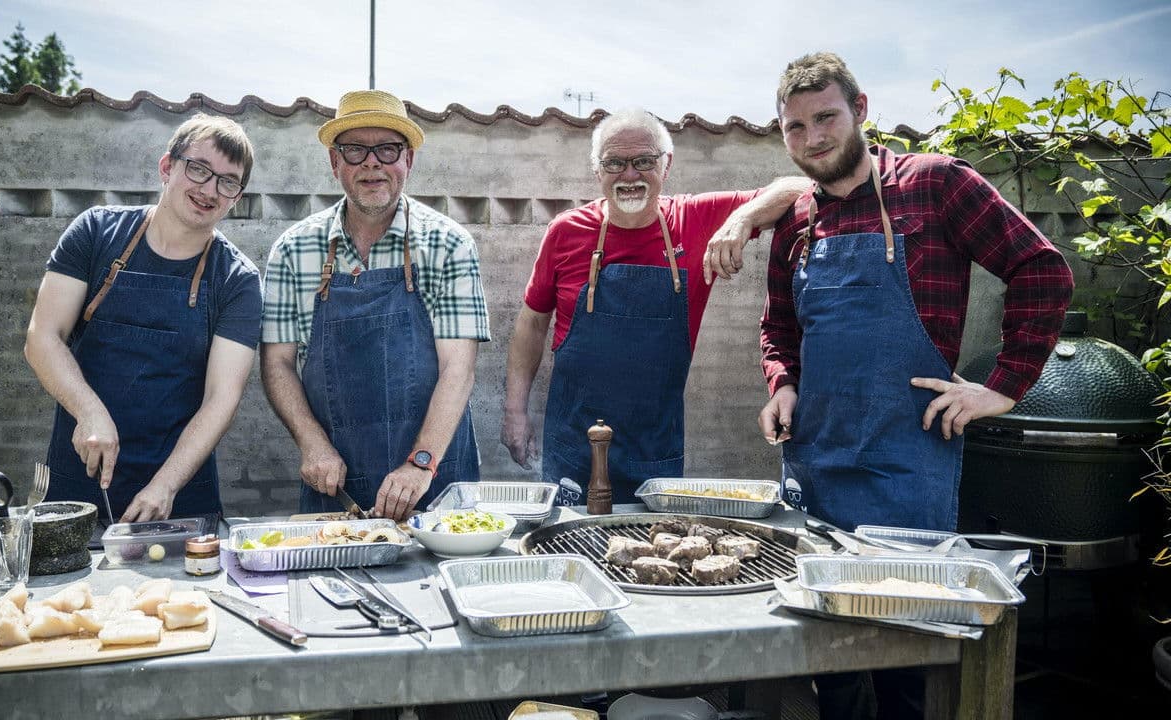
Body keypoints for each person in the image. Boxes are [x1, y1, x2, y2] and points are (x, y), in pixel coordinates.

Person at [758, 52, 1073, 719]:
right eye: (795, 127)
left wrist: (1004, 386)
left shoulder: (935, 184)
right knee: (826, 659)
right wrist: (782, 383)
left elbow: (1041, 269)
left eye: (826, 117)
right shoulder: (795, 221)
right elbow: (779, 326)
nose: (813, 137)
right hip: (815, 465)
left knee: (904, 657)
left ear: (860, 110)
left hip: (906, 465)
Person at [501, 107, 807, 505]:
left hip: (654, 449)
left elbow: (800, 186)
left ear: (667, 164)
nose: (629, 176)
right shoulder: (565, 231)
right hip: (573, 444)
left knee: (650, 543)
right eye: (614, 163)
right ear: (597, 169)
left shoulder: (694, 219)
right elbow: (532, 323)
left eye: (644, 161)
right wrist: (515, 412)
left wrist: (741, 220)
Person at [261, 89, 489, 521]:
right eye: (355, 150)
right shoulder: (293, 249)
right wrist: (312, 443)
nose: (372, 163)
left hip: (435, 476)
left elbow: (458, 369)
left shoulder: (449, 244)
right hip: (336, 483)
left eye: (387, 149)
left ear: (408, 160)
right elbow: (277, 363)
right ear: (335, 162)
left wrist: (421, 463)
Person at [25, 113, 261, 522]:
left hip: (179, 498)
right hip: (80, 482)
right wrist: (89, 411)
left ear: (236, 197)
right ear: (167, 167)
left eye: (227, 182)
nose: (209, 190)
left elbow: (221, 397)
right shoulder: (95, 233)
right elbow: (42, 338)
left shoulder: (238, 280)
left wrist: (166, 485)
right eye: (199, 169)